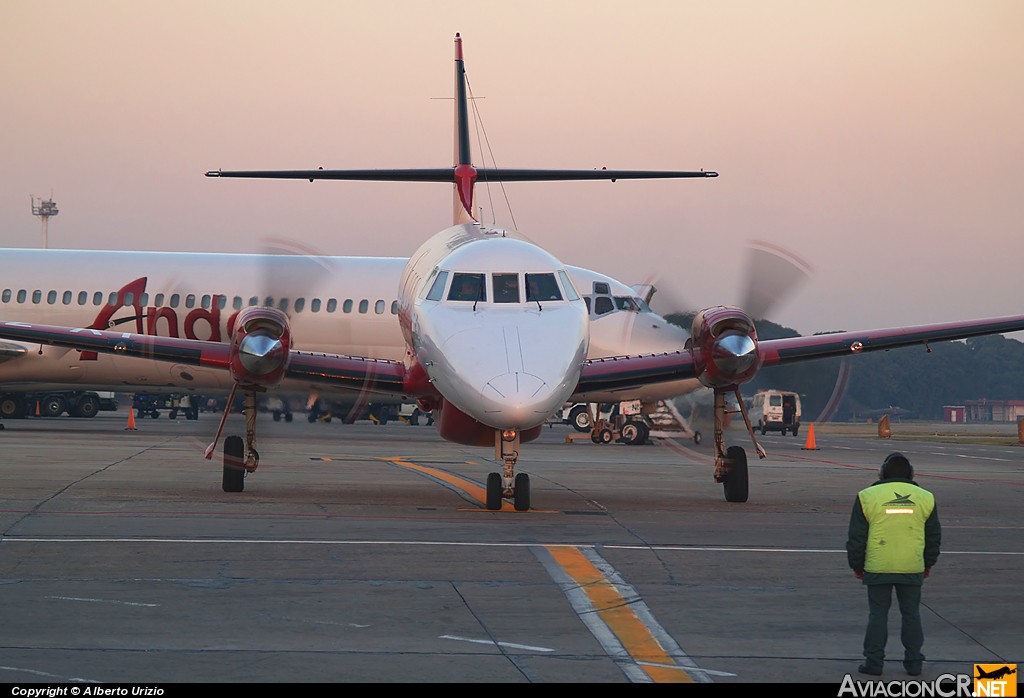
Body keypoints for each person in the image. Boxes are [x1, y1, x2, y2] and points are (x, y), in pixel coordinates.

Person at [847, 452, 940, 677]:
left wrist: (857, 565)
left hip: (877, 565)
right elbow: (933, 537)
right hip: (911, 565)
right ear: (911, 474)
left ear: (881, 473)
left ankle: (874, 662)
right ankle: (914, 663)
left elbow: (857, 537)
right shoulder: (926, 497)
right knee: (911, 614)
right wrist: (928, 563)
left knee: (878, 615)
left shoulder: (867, 496)